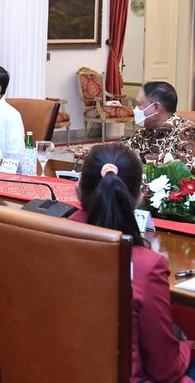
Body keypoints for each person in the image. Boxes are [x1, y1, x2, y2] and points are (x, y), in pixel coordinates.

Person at [70, 143, 195, 382]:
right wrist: (186, 345)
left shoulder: (45, 236)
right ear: (140, 196)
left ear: (77, 189)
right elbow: (166, 370)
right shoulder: (146, 265)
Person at [124, 81, 195, 169]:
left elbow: (186, 163)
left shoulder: (187, 131)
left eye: (139, 105)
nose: (135, 110)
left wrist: (144, 158)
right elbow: (123, 153)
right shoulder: (144, 132)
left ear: (156, 108)